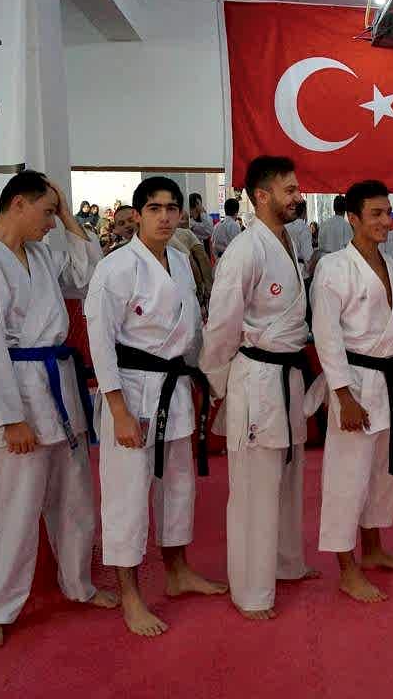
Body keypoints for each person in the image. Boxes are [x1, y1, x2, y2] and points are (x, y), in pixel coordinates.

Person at [0, 171, 118, 650]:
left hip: (59, 391)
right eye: (46, 213)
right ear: (18, 204)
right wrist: (10, 418)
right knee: (13, 511)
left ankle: (79, 584)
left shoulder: (41, 254)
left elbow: (89, 273)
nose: (51, 224)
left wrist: (68, 215)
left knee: (75, 497)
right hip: (17, 395)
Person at [85, 177, 227, 638]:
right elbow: (100, 344)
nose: (164, 217)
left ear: (181, 214)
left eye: (171, 208)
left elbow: (193, 330)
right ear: (137, 214)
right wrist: (118, 410)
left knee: (178, 487)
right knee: (127, 494)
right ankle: (129, 594)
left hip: (175, 386)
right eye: (154, 208)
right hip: (131, 390)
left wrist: (207, 379)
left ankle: (178, 570)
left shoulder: (181, 261)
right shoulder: (115, 268)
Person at [200, 156, 318, 619]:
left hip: (287, 376)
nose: (298, 197)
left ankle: (285, 563)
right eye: (290, 190)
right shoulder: (245, 250)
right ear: (262, 196)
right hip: (259, 378)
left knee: (287, 477)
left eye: (297, 189)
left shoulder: (288, 240)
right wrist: (220, 384)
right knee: (254, 486)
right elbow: (221, 326)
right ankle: (251, 590)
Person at [312, 180, 393, 603]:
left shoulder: (388, 262)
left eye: (387, 213)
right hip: (354, 383)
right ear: (352, 218)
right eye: (375, 214)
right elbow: (326, 337)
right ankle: (346, 567)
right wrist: (343, 397)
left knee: (381, 475)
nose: (385, 221)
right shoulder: (334, 267)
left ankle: (373, 549)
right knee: (347, 478)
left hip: (388, 381)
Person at [169, 212, 214, 313]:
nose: (186, 222)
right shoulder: (186, 233)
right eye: (183, 219)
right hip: (188, 286)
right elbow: (202, 257)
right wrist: (206, 287)